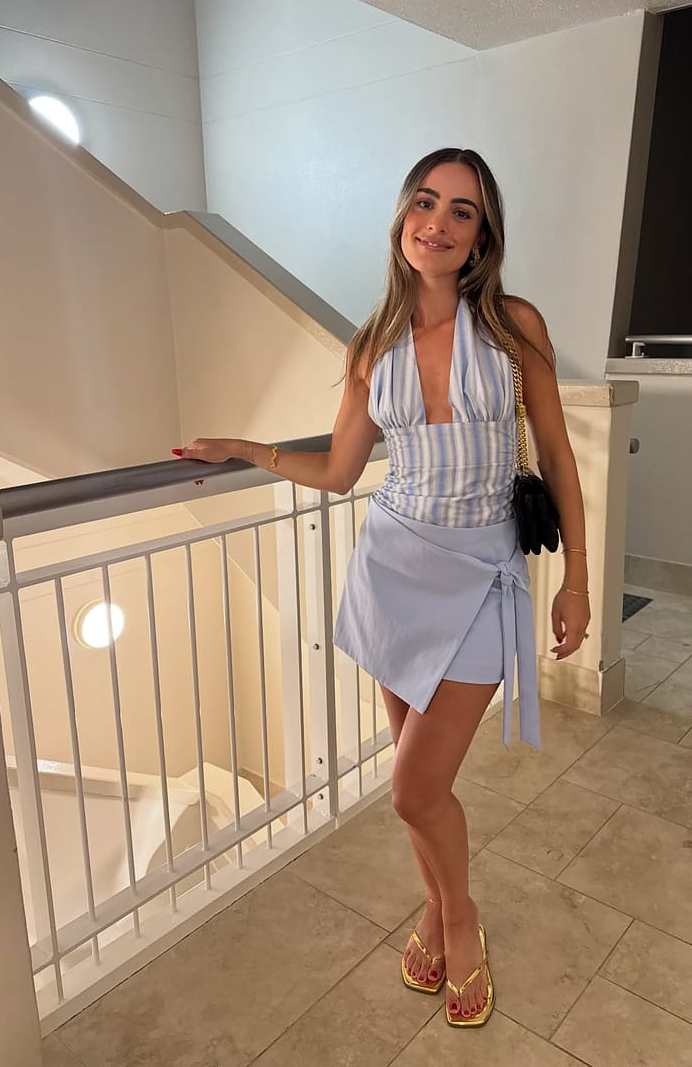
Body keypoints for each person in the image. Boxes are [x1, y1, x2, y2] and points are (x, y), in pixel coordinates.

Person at [174, 148, 590, 1028]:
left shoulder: (514, 326)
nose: (437, 223)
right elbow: (337, 470)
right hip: (391, 572)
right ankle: (435, 909)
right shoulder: (372, 346)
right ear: (403, 216)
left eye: (462, 211)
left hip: (480, 578)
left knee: (411, 789)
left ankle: (459, 919)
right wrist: (246, 450)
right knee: (417, 783)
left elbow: (555, 456)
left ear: (482, 236)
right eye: (425, 203)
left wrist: (576, 581)